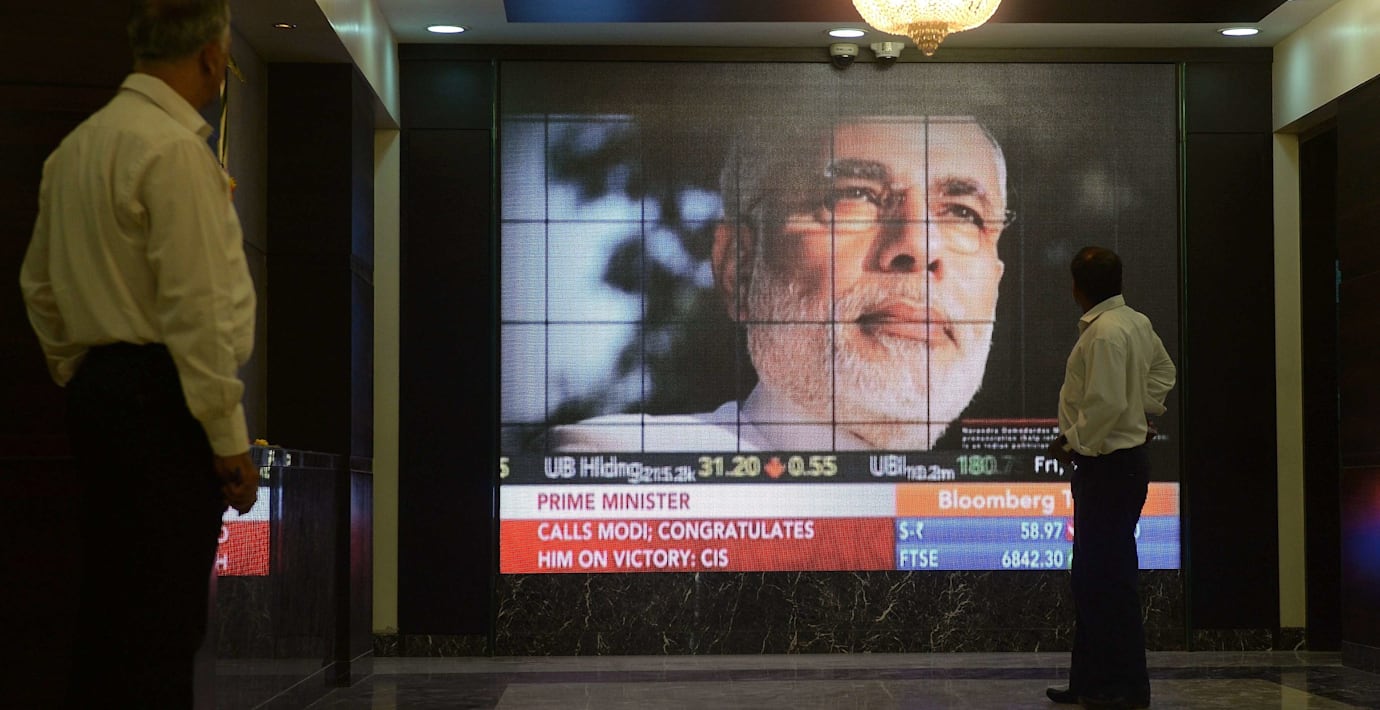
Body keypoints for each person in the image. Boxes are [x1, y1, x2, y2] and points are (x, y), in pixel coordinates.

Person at [18, 1, 257, 705]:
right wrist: (229, 439)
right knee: (163, 620)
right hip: (164, 400)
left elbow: (38, 288)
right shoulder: (174, 152)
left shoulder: (77, 149)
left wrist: (82, 369)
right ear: (211, 55)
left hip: (99, 396)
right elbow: (198, 310)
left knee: (109, 612)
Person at [551, 115, 1012, 452]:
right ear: (739, 267)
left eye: (963, 214)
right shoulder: (623, 466)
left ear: (996, 282)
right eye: (854, 196)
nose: (919, 245)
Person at [1044, 246, 1175, 710]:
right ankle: (1089, 681)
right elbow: (1164, 373)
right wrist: (1141, 409)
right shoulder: (1135, 323)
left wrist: (1072, 442)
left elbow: (1106, 405)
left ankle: (1124, 687)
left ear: (1077, 288)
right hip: (1121, 464)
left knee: (1106, 579)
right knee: (1094, 578)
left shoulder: (1103, 334)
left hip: (1107, 467)